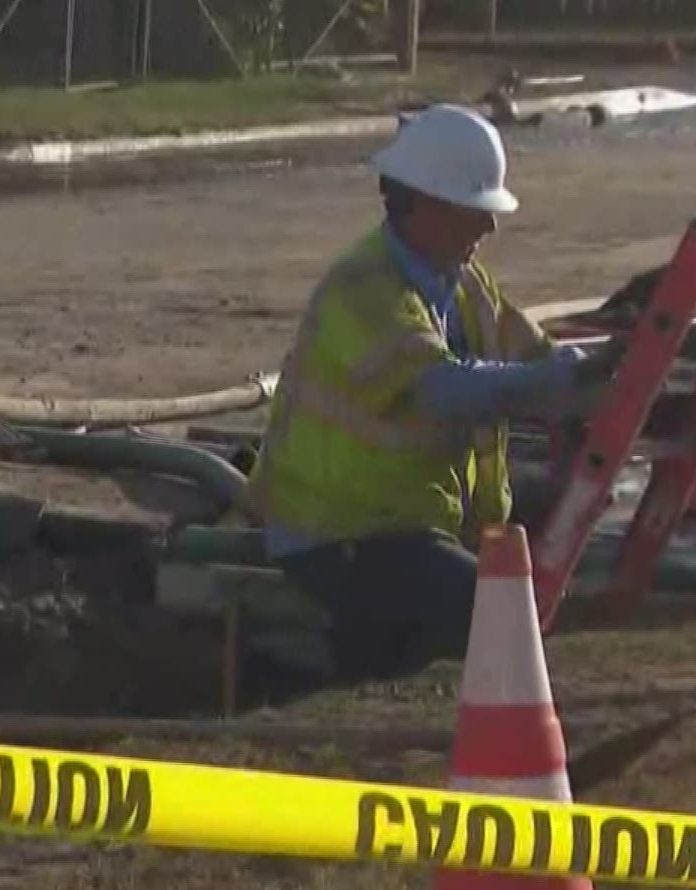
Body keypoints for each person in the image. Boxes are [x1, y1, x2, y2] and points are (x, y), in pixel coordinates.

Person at [237, 103, 615, 686]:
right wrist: (563, 383)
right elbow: (446, 391)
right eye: (476, 211)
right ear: (424, 205)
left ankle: (400, 666)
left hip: (414, 517)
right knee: (491, 610)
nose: (489, 229)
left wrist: (611, 382)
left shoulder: (465, 284)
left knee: (566, 522)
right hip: (338, 532)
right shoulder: (362, 290)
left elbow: (536, 361)